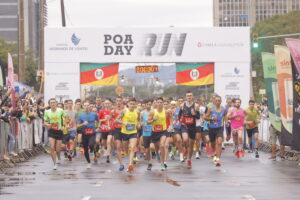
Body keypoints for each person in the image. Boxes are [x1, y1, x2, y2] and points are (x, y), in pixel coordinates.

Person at [148, 97, 173, 171]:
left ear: (163, 103)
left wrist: (171, 126)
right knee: (155, 148)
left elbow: (171, 118)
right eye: (158, 102)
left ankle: (162, 164)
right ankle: (157, 154)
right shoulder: (152, 112)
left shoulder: (166, 112)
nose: (159, 104)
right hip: (154, 132)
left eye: (161, 102)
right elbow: (148, 122)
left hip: (163, 131)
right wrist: (153, 120)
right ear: (156, 103)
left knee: (162, 145)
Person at [117, 97, 140, 172]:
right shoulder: (124, 111)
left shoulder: (137, 112)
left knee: (133, 147)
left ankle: (130, 164)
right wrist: (123, 123)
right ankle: (126, 152)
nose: (132, 105)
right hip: (124, 132)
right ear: (127, 104)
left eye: (133, 104)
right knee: (126, 149)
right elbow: (116, 120)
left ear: (135, 104)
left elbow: (139, 120)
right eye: (131, 104)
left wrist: (139, 124)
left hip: (133, 132)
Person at [179, 91, 200, 169]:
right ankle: (185, 149)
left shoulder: (196, 106)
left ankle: (189, 159)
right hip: (185, 125)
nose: (189, 97)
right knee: (185, 139)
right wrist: (180, 120)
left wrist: (194, 114)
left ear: (192, 96)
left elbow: (198, 117)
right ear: (185, 97)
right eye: (188, 96)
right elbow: (179, 115)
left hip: (192, 127)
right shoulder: (182, 105)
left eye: (190, 95)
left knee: (191, 145)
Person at [44, 98, 66, 170]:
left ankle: (59, 157)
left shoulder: (61, 111)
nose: (53, 104)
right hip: (51, 131)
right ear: (49, 104)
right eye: (51, 103)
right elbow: (45, 122)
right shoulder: (47, 112)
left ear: (56, 103)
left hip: (59, 131)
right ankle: (54, 164)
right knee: (52, 147)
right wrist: (47, 125)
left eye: (54, 102)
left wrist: (63, 126)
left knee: (58, 149)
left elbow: (65, 119)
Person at [204, 95, 226, 166]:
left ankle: (218, 160)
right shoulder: (210, 109)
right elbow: (205, 117)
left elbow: (225, 116)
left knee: (219, 142)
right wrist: (211, 118)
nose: (217, 102)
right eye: (216, 101)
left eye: (219, 101)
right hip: (212, 128)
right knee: (213, 144)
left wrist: (227, 121)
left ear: (221, 101)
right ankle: (214, 152)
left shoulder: (223, 109)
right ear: (214, 101)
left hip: (219, 128)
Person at [77, 101, 98, 169]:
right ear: (83, 107)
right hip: (84, 133)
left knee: (91, 144)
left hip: (92, 133)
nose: (86, 107)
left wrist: (98, 127)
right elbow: (78, 126)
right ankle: (88, 162)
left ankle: (93, 150)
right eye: (85, 105)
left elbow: (98, 121)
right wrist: (83, 124)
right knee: (85, 149)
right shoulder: (81, 115)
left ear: (90, 106)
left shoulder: (94, 114)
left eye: (87, 105)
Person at [111, 96, 126, 171]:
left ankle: (131, 159)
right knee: (118, 146)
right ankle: (121, 164)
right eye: (117, 100)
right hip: (117, 130)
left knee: (126, 146)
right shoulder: (113, 111)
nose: (119, 102)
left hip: (125, 129)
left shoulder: (125, 110)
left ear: (122, 101)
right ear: (115, 102)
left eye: (120, 100)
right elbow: (111, 119)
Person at [140, 99, 153, 170]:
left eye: (150, 104)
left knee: (152, 147)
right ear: (145, 105)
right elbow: (140, 122)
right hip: (145, 133)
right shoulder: (142, 113)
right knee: (147, 150)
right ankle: (149, 163)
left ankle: (155, 153)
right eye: (147, 104)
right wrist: (140, 124)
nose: (148, 105)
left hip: (152, 132)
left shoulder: (153, 112)